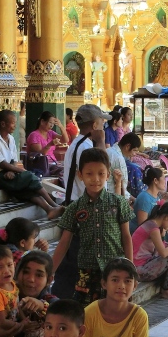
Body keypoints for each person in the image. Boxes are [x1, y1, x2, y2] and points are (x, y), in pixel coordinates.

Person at [53, 148, 134, 306]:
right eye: (89, 174)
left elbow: (126, 237)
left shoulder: (118, 203)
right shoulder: (74, 208)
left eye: (101, 173)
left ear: (108, 175)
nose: (95, 179)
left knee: (116, 311)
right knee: (87, 314)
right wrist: (50, 271)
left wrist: (131, 269)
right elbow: (64, 243)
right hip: (86, 272)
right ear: (80, 175)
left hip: (115, 270)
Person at [55, 105, 110, 298]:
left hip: (74, 204)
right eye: (102, 122)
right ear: (95, 124)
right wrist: (101, 141)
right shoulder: (86, 147)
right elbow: (103, 174)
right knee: (78, 260)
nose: (104, 125)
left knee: (72, 259)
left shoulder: (78, 144)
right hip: (83, 208)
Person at [0, 110, 64, 219]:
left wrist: (12, 170)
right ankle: (54, 205)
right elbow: (1, 164)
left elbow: (14, 160)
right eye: (13, 123)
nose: (15, 126)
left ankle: (49, 210)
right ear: (3, 124)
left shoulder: (11, 139)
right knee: (30, 176)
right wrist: (21, 171)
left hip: (9, 172)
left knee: (27, 190)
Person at [0, 217, 50, 299]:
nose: (31, 279)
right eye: (33, 238)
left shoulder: (1, 250)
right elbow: (41, 266)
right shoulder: (15, 257)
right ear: (22, 242)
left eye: (9, 265)